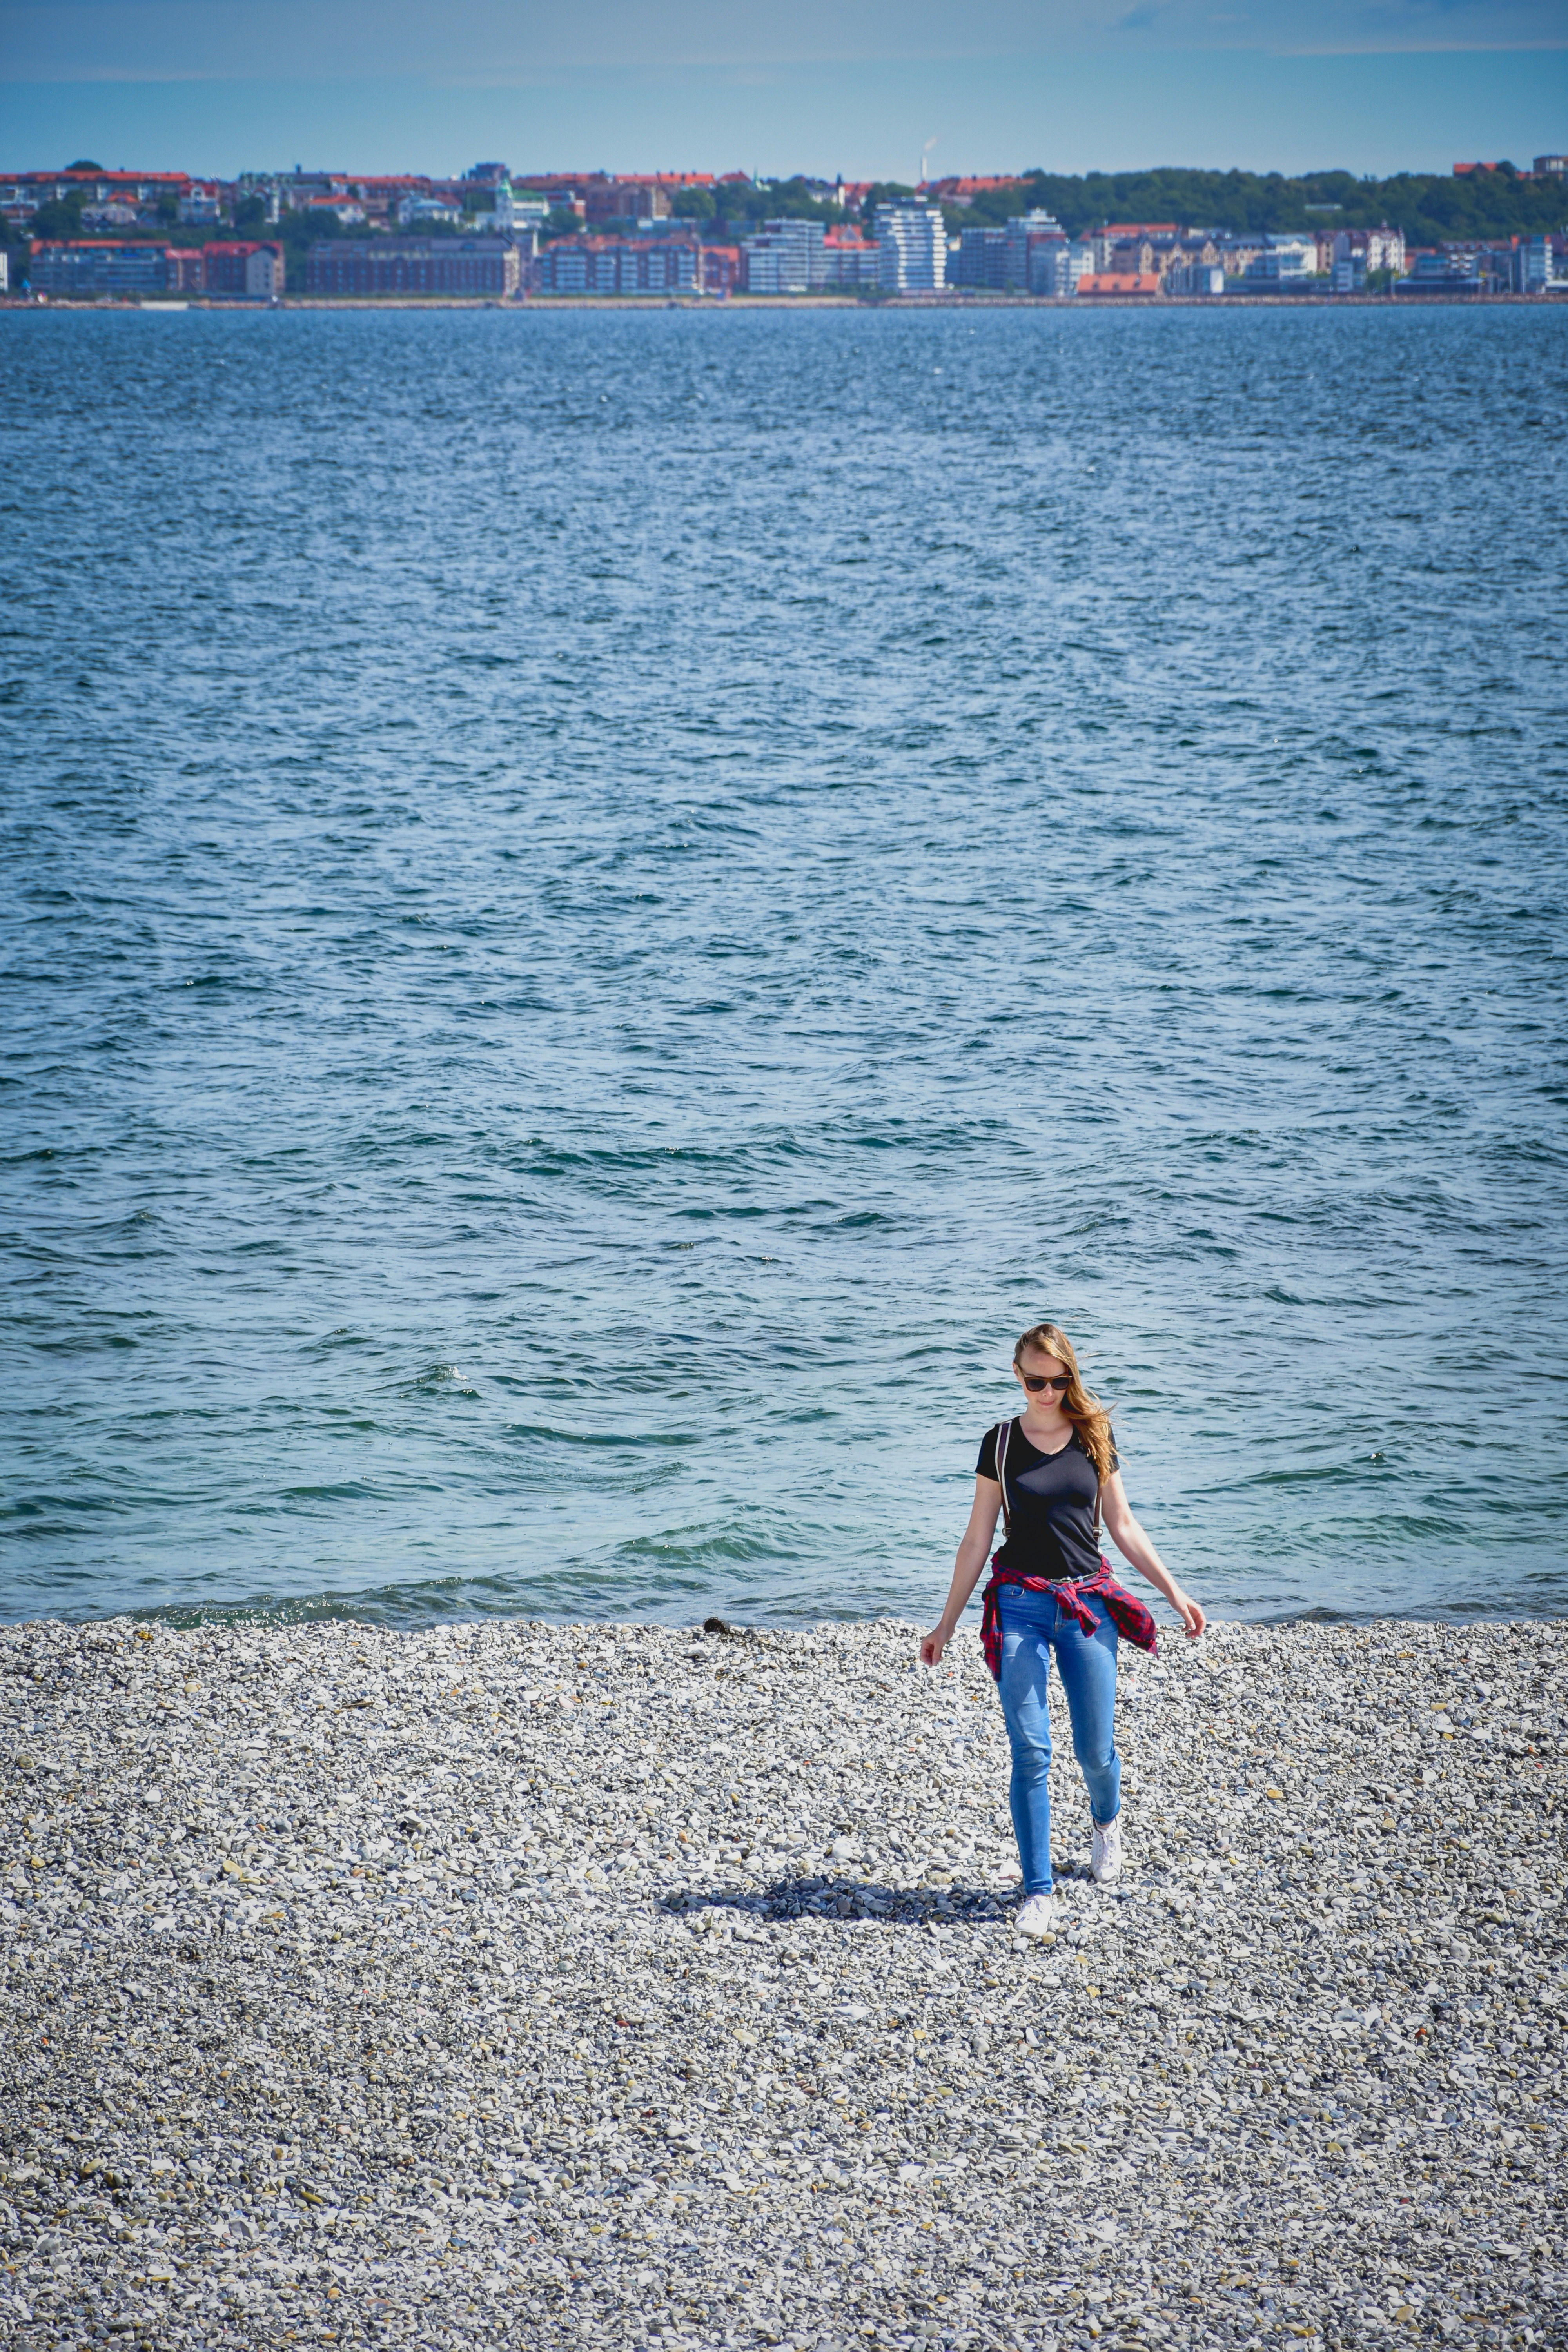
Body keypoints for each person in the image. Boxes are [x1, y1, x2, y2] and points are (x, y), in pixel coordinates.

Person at [920, 1321, 1205, 1938]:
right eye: (1034, 1382)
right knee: (1031, 1750)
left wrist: (1174, 1593)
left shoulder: (1094, 1437)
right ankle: (1039, 1891)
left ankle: (1108, 1821)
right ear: (1017, 1377)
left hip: (1086, 1609)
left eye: (1058, 1381)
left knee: (1094, 1752)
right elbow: (976, 1540)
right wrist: (946, 1624)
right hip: (1019, 1604)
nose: (1047, 1393)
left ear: (1071, 1377)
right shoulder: (998, 1444)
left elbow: (1124, 1526)